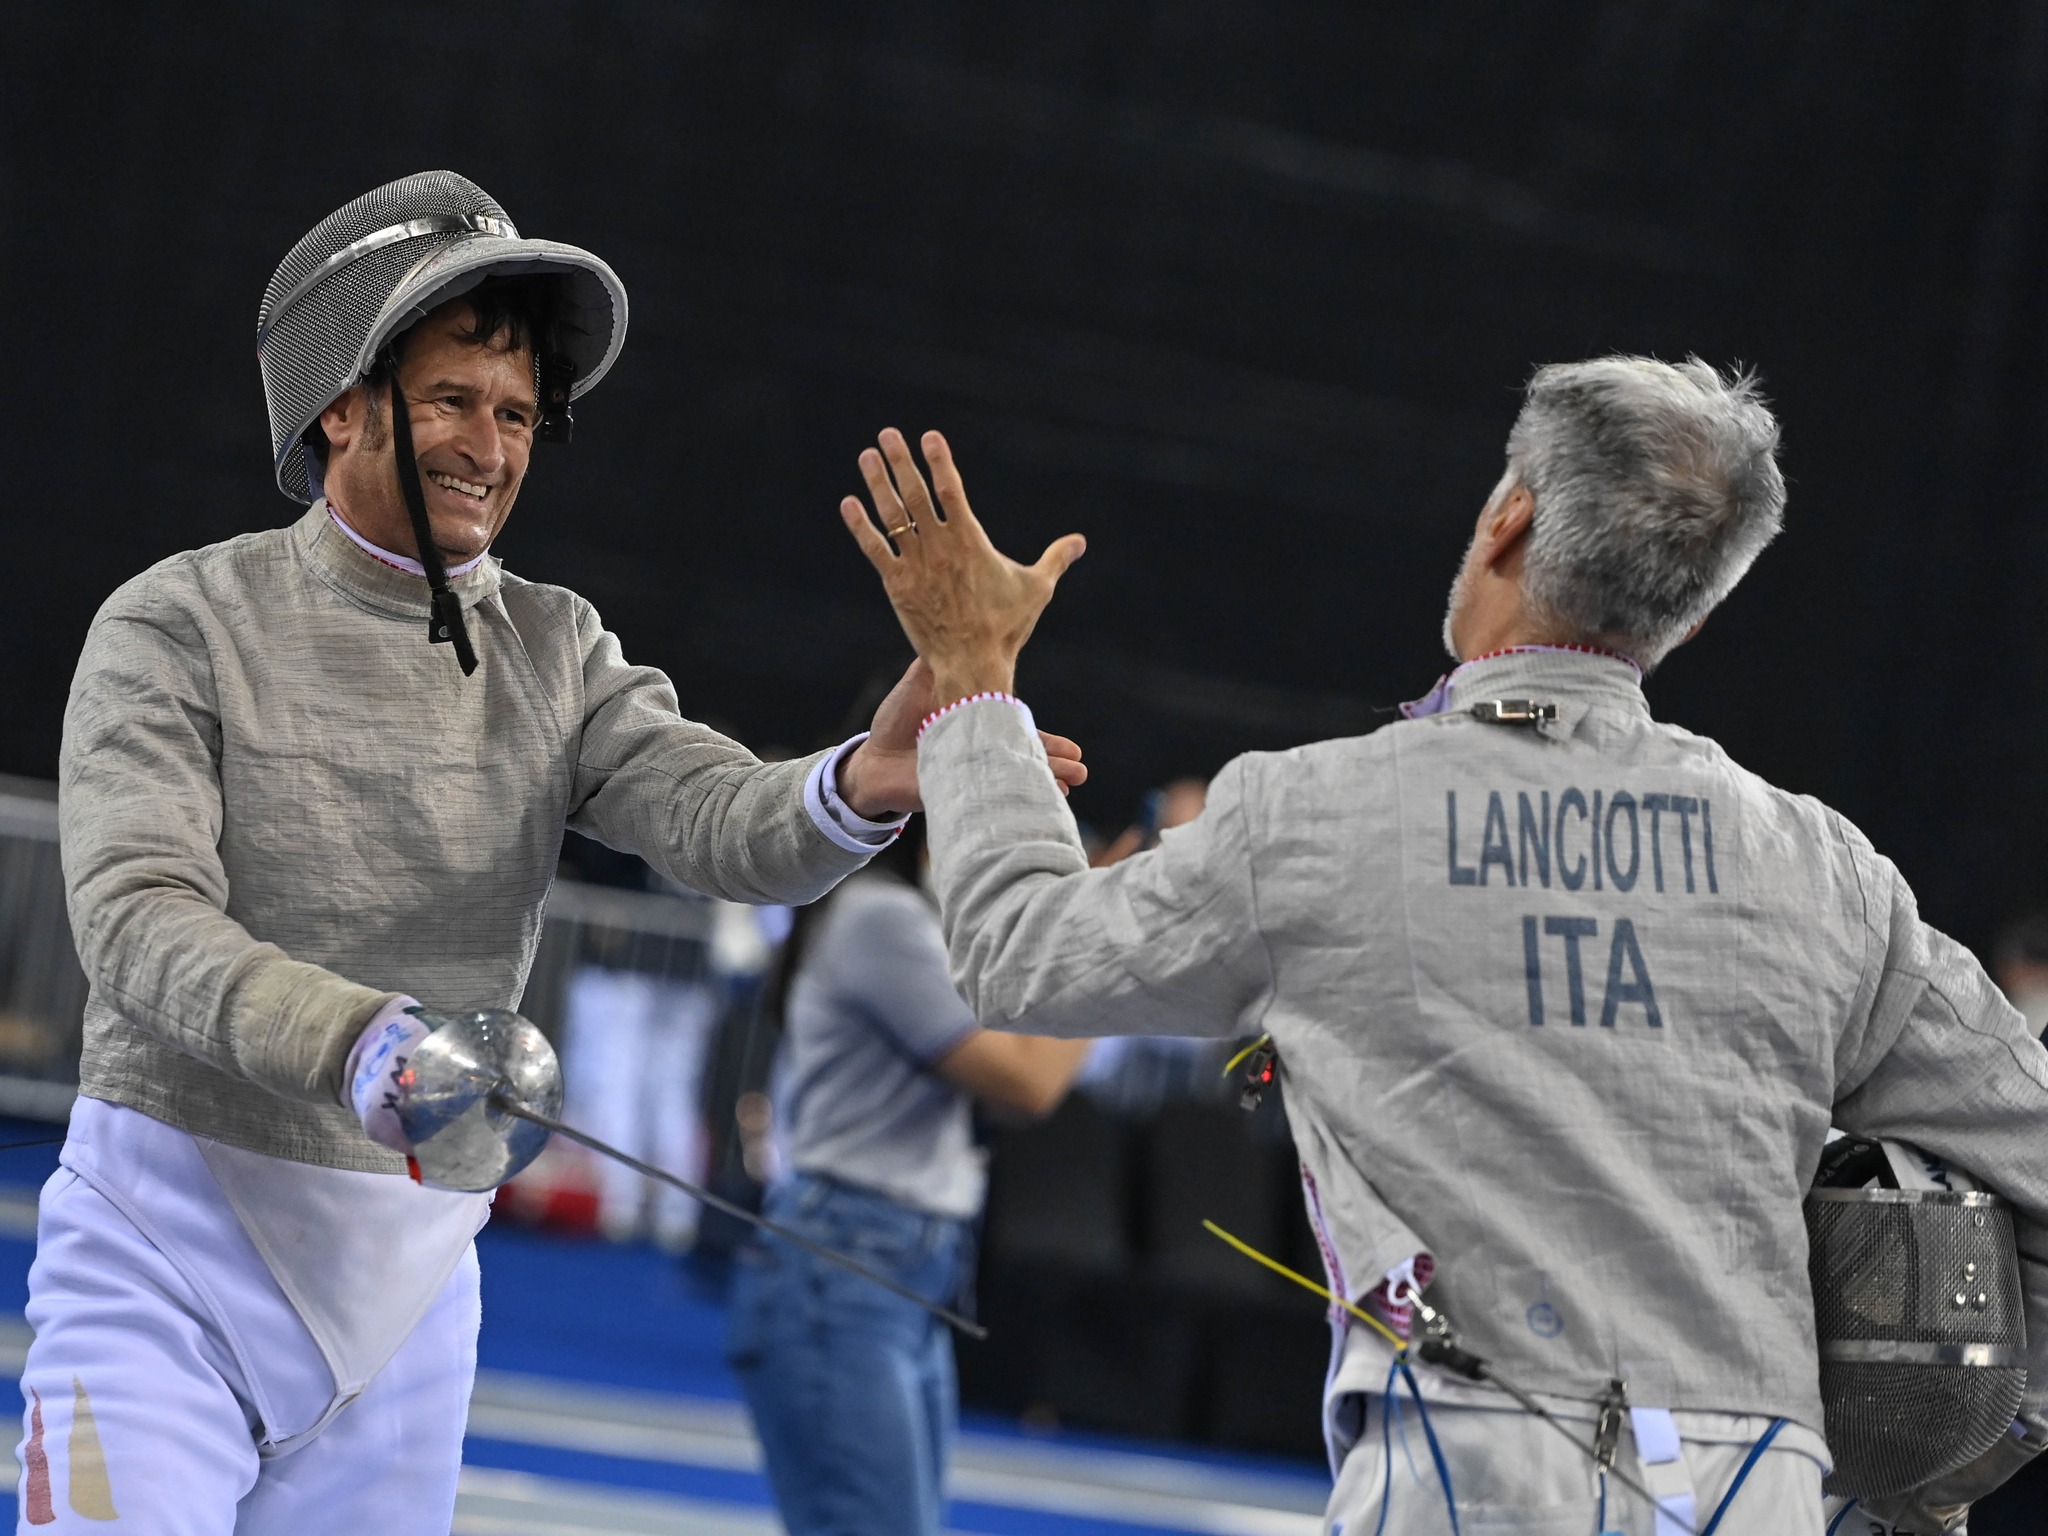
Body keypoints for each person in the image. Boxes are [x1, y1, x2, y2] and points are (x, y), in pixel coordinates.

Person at [27, 171, 1084, 1535]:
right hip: (166, 1250)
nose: (491, 446)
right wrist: (360, 1041)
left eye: (518, 413)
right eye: (453, 400)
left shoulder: (555, 647)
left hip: (405, 1294)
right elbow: (137, 917)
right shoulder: (178, 623)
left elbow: (711, 813)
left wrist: (855, 782)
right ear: (338, 404)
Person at [837, 358, 2048, 1536]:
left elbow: (1017, 957)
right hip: (1754, 1486)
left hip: (1471, 1466)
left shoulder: (1313, 814)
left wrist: (973, 677)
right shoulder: (1820, 870)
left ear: (1508, 518)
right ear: (1696, 592)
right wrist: (1940, 1451)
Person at [726, 814, 1089, 1536]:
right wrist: (1107, 940)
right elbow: (1027, 1082)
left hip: (892, 1268)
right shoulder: (880, 917)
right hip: (847, 1264)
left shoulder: (900, 913)